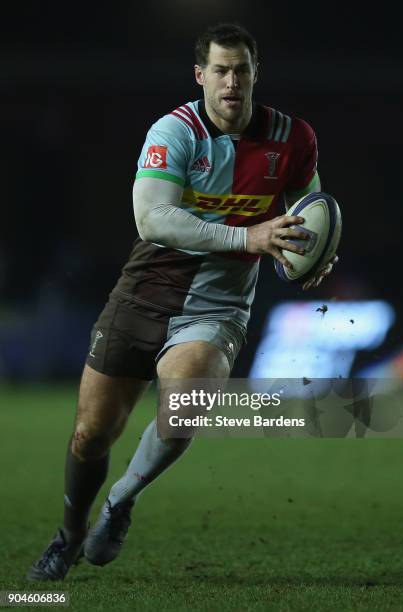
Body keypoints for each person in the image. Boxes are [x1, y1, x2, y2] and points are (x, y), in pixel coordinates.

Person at [27, 22, 336, 581]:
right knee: (91, 433)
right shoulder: (174, 132)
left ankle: (121, 500)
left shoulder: (293, 139)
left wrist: (307, 256)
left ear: (255, 74)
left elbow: (308, 216)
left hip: (219, 306)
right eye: (220, 70)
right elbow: (153, 218)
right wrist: (252, 237)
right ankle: (68, 535)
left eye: (242, 70)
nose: (232, 81)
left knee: (187, 404)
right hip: (145, 290)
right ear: (201, 75)